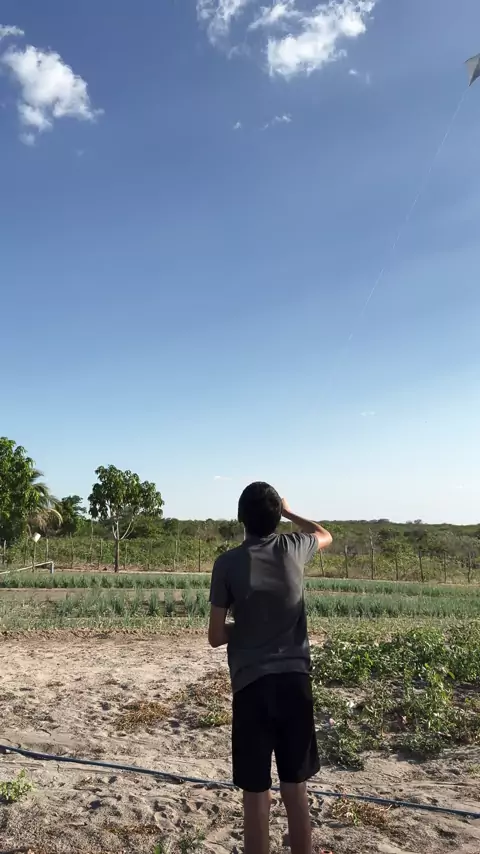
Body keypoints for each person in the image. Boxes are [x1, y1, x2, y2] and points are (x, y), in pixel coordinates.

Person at [208, 481, 333, 854]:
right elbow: (324, 534)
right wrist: (290, 512)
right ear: (277, 518)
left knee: (256, 791)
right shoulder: (295, 547)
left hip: (252, 688)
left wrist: (248, 626)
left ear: (240, 517)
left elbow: (216, 635)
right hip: (295, 684)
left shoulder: (226, 564)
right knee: (296, 787)